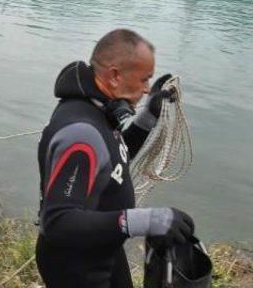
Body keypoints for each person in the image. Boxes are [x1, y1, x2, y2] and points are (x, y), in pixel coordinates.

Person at [36, 29, 194, 288]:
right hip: (76, 263)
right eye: (143, 80)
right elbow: (58, 223)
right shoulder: (81, 133)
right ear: (114, 75)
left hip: (102, 248)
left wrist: (146, 119)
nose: (146, 89)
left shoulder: (97, 110)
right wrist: (147, 220)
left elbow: (110, 164)